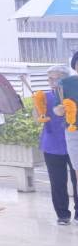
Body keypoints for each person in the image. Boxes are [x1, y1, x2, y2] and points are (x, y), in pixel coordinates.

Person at [39, 66, 77, 225]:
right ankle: (62, 215)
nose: (53, 82)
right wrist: (38, 108)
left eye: (57, 78)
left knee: (76, 180)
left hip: (73, 144)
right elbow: (37, 118)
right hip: (52, 145)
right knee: (57, 182)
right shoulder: (45, 96)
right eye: (50, 78)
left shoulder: (73, 94)